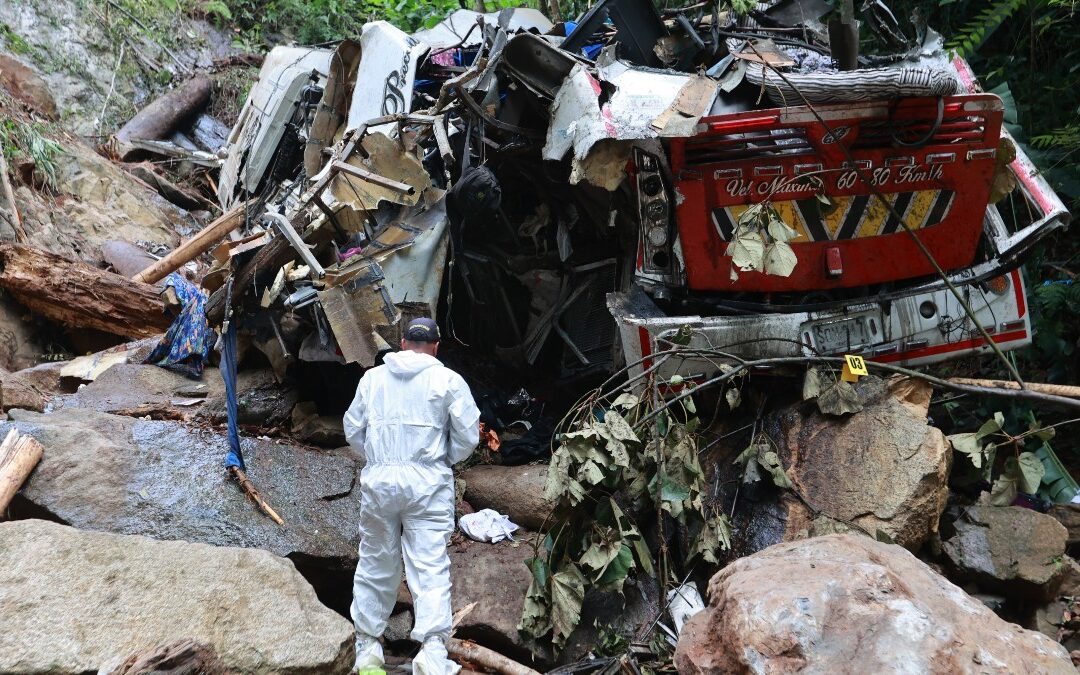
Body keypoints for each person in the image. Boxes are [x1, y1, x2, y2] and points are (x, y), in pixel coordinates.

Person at [344, 317, 480, 675]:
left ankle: (368, 649)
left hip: (380, 481)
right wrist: (441, 461)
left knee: (375, 563)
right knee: (430, 564)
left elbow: (352, 430)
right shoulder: (448, 381)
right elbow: (468, 437)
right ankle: (432, 655)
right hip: (428, 484)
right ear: (436, 346)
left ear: (402, 343)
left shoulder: (372, 379)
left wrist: (379, 459)